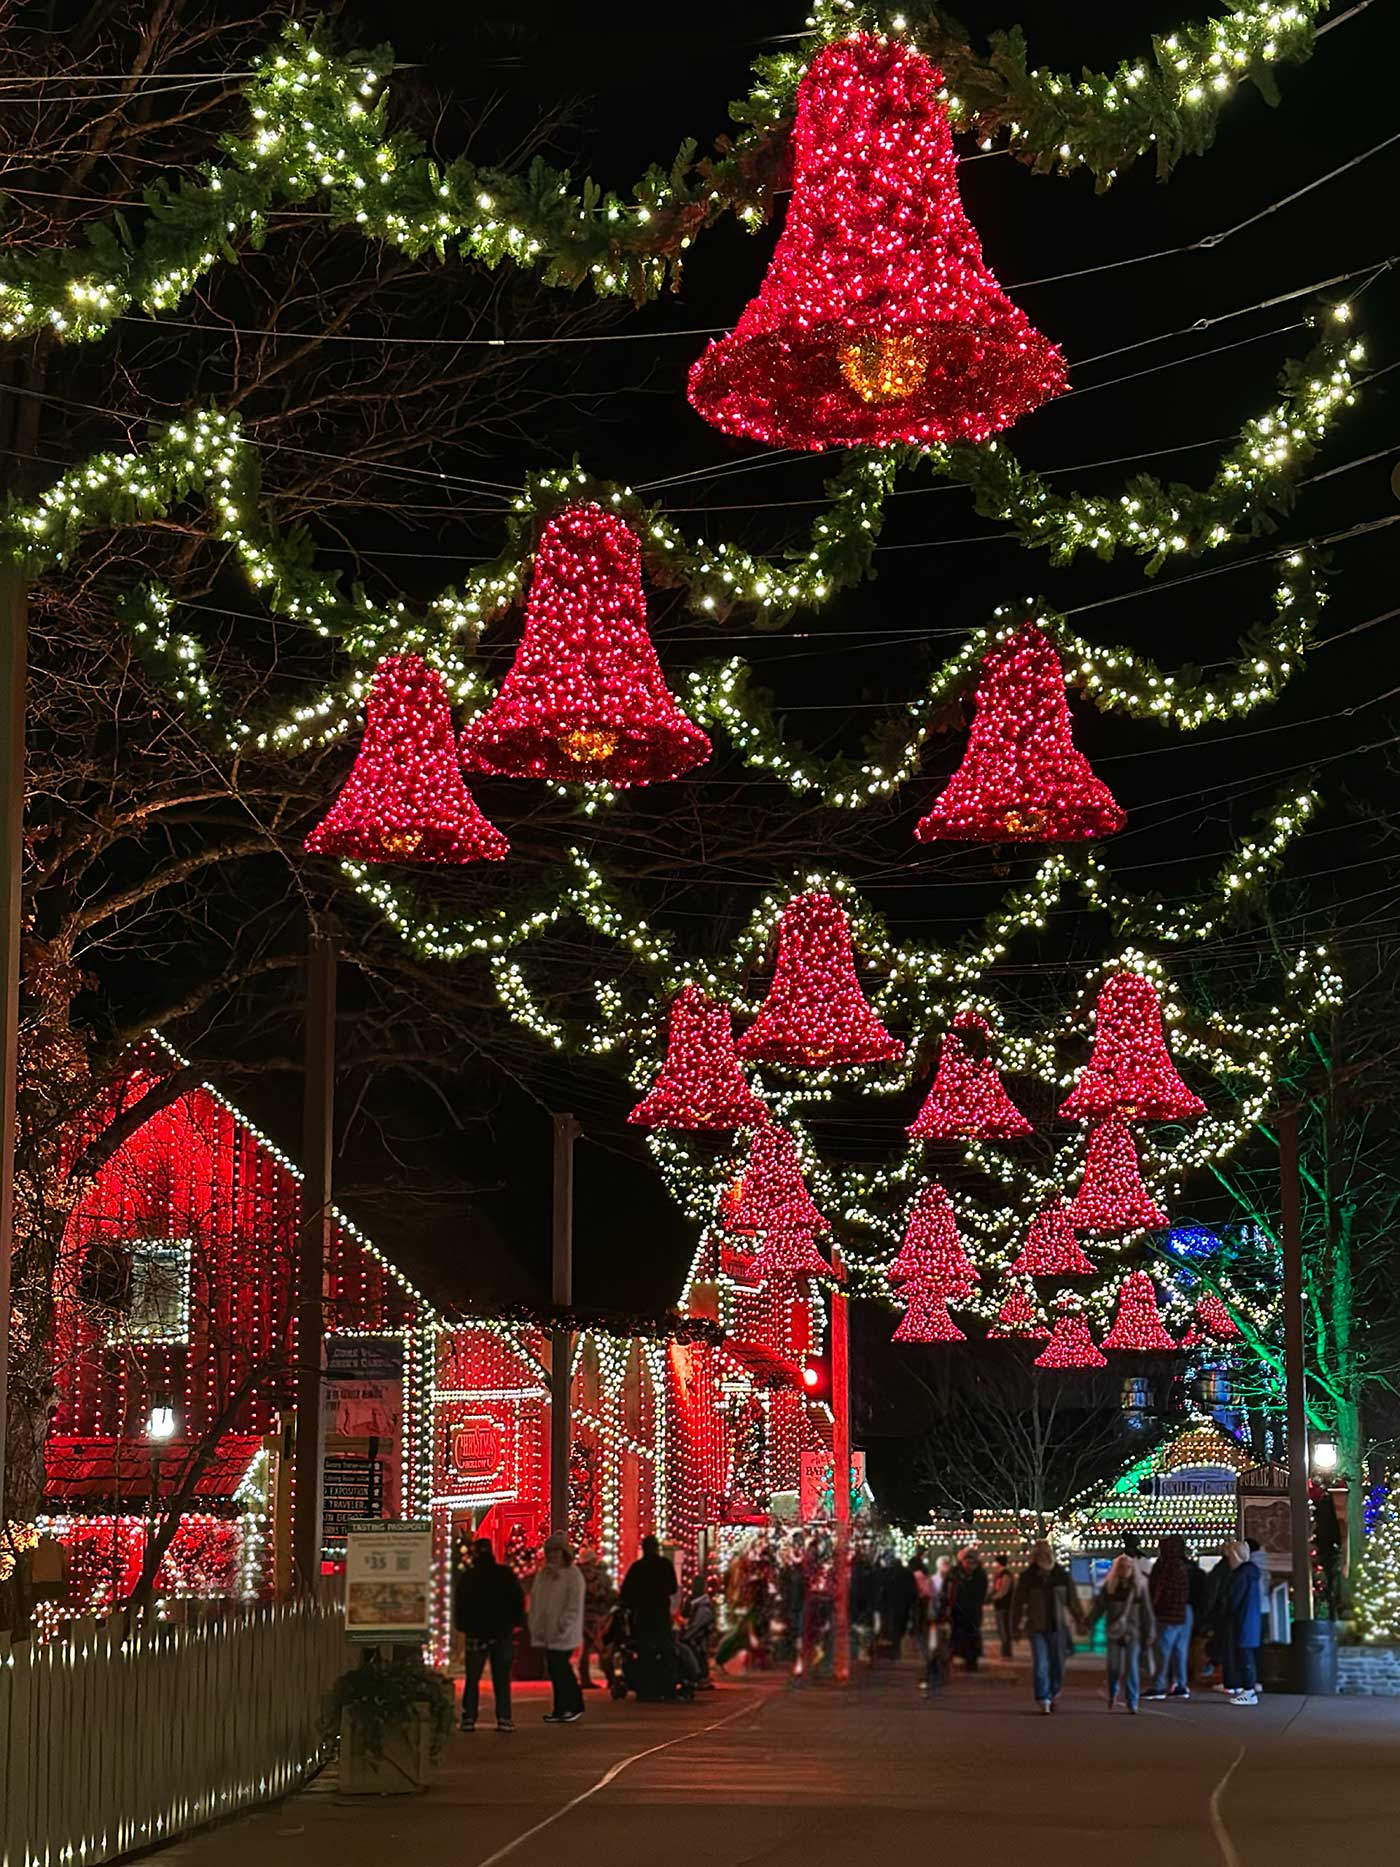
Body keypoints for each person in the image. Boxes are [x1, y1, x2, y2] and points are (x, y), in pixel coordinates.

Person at [453, 1537, 525, 1732]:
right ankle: (504, 1717)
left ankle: (469, 1717)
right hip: (502, 1632)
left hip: (476, 1632)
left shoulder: (468, 1577)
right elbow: (517, 1600)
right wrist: (516, 1623)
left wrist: (462, 1626)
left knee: (472, 1677)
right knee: (501, 1678)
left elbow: (460, 1605)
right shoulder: (504, 1574)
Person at [1012, 1539, 1082, 1713]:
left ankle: (1054, 1691)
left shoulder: (1061, 1575)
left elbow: (1072, 1600)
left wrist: (1080, 1620)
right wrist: (1015, 1626)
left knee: (1058, 1664)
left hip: (1058, 1626)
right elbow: (1017, 1603)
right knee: (1041, 1664)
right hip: (1037, 1627)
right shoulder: (1028, 1577)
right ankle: (1043, 1697)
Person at [528, 1532, 587, 1723]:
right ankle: (562, 1707)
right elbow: (537, 1601)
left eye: (557, 1552)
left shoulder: (572, 1575)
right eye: (550, 1552)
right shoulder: (544, 1576)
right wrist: (535, 1623)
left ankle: (571, 1705)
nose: (553, 1556)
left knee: (560, 1666)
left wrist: (565, 1623)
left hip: (563, 1631)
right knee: (555, 1668)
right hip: (547, 1629)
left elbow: (574, 1603)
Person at [1088, 1553, 1156, 1713]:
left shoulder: (1139, 1587)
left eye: (1128, 1567)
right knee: (1113, 1667)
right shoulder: (1110, 1587)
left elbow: (1147, 1611)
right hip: (1114, 1632)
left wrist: (1149, 1632)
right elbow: (1099, 1607)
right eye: (1122, 1567)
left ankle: (1132, 1702)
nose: (1125, 1570)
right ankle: (1113, 1691)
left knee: (1131, 1667)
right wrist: (1088, 1622)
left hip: (1133, 1632)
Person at [620, 1534, 680, 1701]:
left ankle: (645, 1689)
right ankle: (667, 1687)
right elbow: (673, 1588)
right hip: (660, 1613)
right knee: (665, 1650)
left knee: (644, 1652)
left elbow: (626, 1592)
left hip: (643, 1615)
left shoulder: (637, 1568)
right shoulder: (665, 1566)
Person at [1146, 1534, 1192, 1701]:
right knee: (1180, 1651)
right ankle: (1181, 1684)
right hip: (1185, 1612)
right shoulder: (1185, 1565)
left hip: (1168, 1614)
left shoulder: (1167, 1566)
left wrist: (1155, 1607)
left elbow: (1161, 1590)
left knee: (1162, 1651)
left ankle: (1159, 1685)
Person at [1226, 1538, 1268, 1706]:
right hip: (1251, 1619)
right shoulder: (1252, 1573)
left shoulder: (1240, 1575)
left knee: (1244, 1656)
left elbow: (1234, 1599)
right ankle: (1248, 1689)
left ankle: (1249, 1691)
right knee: (1247, 1655)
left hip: (1242, 1620)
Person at [576, 1548, 617, 1691]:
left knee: (587, 1648)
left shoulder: (577, 1575)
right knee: (602, 1647)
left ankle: (585, 1677)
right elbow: (607, 1593)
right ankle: (611, 1677)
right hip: (598, 1615)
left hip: (583, 1615)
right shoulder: (599, 1575)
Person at [945, 1547, 989, 1672]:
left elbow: (981, 1593)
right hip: (956, 1611)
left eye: (972, 1562)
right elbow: (948, 1589)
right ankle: (953, 1660)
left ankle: (972, 1662)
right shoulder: (955, 1573)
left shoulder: (980, 1574)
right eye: (967, 1561)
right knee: (956, 1635)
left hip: (973, 1611)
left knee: (972, 1636)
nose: (970, 1565)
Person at [990, 1555, 1015, 1659]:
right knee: (1002, 1629)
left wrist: (993, 1597)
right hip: (999, 1605)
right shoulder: (999, 1575)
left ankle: (1007, 1652)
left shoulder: (1006, 1575)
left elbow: (1003, 1590)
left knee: (1004, 1629)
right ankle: (1005, 1651)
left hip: (1005, 1606)